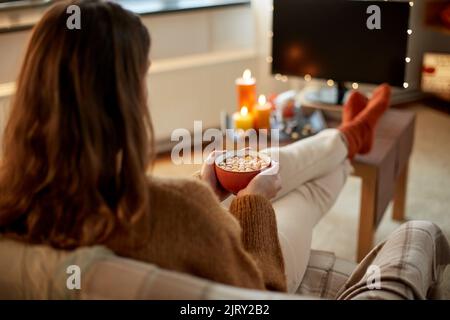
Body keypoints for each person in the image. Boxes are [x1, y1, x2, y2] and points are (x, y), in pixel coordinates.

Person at [0, 0, 447, 297]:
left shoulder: (14, 198)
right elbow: (253, 286)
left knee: (279, 167)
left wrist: (205, 190)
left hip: (196, 221)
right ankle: (352, 138)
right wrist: (253, 200)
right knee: (306, 188)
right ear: (120, 101)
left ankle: (348, 138)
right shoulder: (177, 209)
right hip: (265, 269)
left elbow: (165, 212)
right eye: (142, 78)